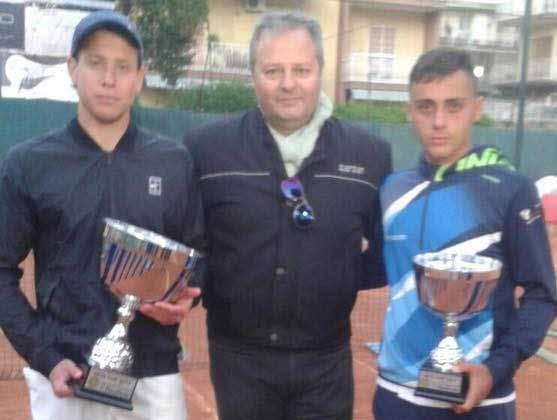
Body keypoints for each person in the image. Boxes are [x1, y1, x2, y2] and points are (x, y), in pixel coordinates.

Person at [184, 11, 392, 420]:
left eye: (301, 69)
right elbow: (194, 245)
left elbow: (387, 251)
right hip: (239, 359)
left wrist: (338, 275)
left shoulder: (369, 155)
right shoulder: (206, 149)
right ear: (253, 75)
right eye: (273, 70)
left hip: (326, 359)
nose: (288, 84)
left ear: (320, 71)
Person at [0, 10, 202, 420]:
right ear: (73, 69)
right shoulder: (28, 164)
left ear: (139, 77)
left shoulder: (174, 162)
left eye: (123, 66)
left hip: (153, 376)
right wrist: (45, 355)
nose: (109, 79)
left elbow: (199, 255)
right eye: (95, 63)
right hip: (64, 374)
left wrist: (184, 297)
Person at [373, 47, 557, 420]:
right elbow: (373, 267)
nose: (438, 121)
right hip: (396, 396)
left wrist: (495, 369)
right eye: (425, 107)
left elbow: (542, 294)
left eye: (453, 106)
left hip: (479, 399)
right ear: (409, 111)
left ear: (477, 107)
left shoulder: (510, 188)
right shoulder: (392, 189)